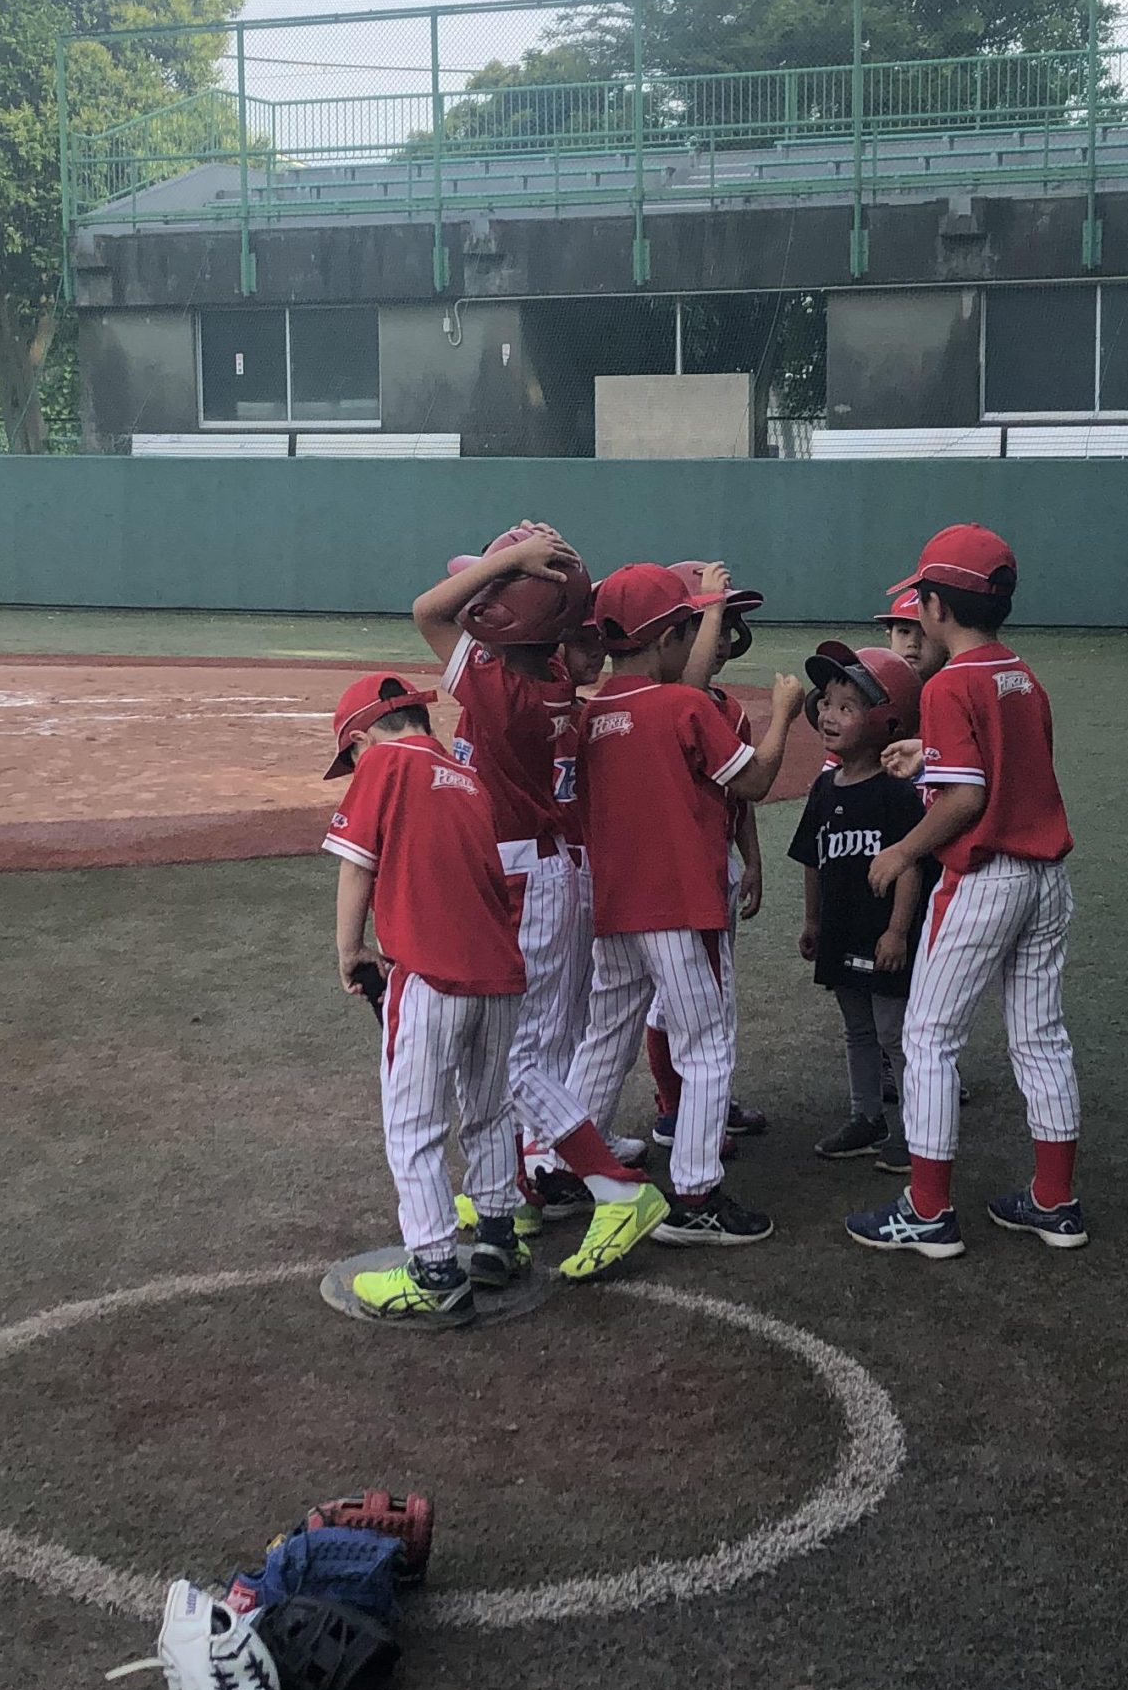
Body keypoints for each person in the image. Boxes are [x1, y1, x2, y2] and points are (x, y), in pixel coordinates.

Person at [846, 525, 1083, 1264]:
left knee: (927, 1038)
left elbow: (967, 801)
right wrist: (929, 758)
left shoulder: (949, 683)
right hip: (1047, 879)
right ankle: (1055, 1201)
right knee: (1040, 1038)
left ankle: (927, 1210)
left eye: (919, 599)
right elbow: (1006, 768)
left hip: (986, 882)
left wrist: (902, 851)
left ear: (937, 607)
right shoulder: (1021, 674)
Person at [563, 561, 805, 1244]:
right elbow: (754, 781)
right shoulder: (685, 708)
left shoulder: (590, 715)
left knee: (604, 1039)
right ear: (671, 637)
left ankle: (562, 1166)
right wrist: (783, 717)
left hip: (615, 908)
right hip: (682, 907)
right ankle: (696, 1194)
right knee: (706, 1046)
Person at [323, 671, 531, 1327]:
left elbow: (358, 863)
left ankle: (436, 1270)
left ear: (362, 738)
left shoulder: (384, 764)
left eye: (351, 753)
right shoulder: (466, 775)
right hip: (498, 977)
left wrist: (350, 950)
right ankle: (498, 1237)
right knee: (489, 1111)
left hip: (430, 976)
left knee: (413, 1126)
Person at [410, 524, 600, 1230]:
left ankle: (584, 1175)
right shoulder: (549, 675)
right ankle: (537, 1170)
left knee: (522, 1053)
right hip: (551, 865)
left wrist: (515, 560)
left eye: (494, 591)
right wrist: (528, 566)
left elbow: (428, 611)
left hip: (528, 869)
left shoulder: (503, 688)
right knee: (549, 1036)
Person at [643, 562, 774, 1152]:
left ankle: (703, 1102)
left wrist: (752, 858)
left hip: (716, 862)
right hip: (675, 873)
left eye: (727, 626)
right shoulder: (662, 706)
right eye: (710, 625)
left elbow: (738, 796)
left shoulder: (731, 710)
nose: (722, 639)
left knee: (710, 995)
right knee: (678, 1000)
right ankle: (677, 1110)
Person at [790, 644, 928, 1173]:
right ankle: (866, 1117)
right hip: (841, 930)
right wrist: (812, 920)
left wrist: (897, 931)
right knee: (858, 1031)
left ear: (885, 722)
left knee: (894, 1033)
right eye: (827, 702)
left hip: (882, 933)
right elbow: (812, 859)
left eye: (847, 707)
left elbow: (910, 866)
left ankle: (918, 1130)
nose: (829, 714)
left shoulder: (896, 792)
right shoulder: (824, 787)